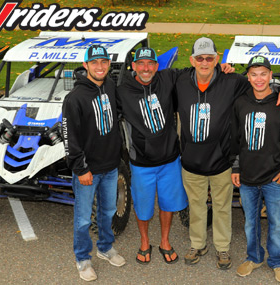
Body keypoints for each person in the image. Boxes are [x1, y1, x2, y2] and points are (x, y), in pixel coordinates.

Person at [175, 37, 280, 270]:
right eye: (200, 58)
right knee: (196, 206)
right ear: (192, 60)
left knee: (221, 207)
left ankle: (222, 248)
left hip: (221, 161)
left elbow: (260, 83)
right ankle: (197, 244)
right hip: (191, 162)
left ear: (217, 59)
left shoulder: (232, 81)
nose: (205, 62)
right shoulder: (179, 81)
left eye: (210, 58)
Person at [230, 55, 280, 283]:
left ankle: (277, 261)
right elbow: (234, 139)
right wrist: (235, 167)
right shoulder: (240, 103)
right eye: (254, 74)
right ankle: (254, 257)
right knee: (250, 223)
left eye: (263, 74)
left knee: (276, 222)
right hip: (247, 177)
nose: (259, 79)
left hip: (274, 177)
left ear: (271, 76)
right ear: (248, 77)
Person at [116, 47, 188, 265]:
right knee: (143, 205)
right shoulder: (122, 91)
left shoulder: (168, 79)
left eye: (150, 64)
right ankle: (145, 241)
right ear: (134, 67)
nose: (146, 68)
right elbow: (96, 97)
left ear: (157, 66)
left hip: (170, 160)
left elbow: (199, 73)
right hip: (141, 163)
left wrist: (220, 69)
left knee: (168, 204)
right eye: (141, 64)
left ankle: (165, 241)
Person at [62, 44, 125, 282]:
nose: (100, 67)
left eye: (104, 62)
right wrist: (80, 168)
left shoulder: (109, 85)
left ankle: (106, 247)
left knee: (108, 211)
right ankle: (83, 258)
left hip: (110, 166)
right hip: (88, 171)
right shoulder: (74, 98)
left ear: (109, 64)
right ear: (86, 65)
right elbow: (70, 138)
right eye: (95, 63)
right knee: (82, 219)